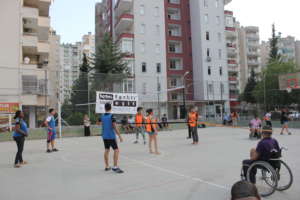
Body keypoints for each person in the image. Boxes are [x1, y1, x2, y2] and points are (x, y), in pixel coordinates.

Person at [98, 103, 124, 173]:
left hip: (104, 136)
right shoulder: (112, 116)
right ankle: (115, 167)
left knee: (107, 150)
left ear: (105, 108)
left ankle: (107, 166)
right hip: (111, 136)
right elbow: (114, 127)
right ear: (110, 108)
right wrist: (120, 136)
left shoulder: (102, 116)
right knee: (116, 150)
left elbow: (99, 123)